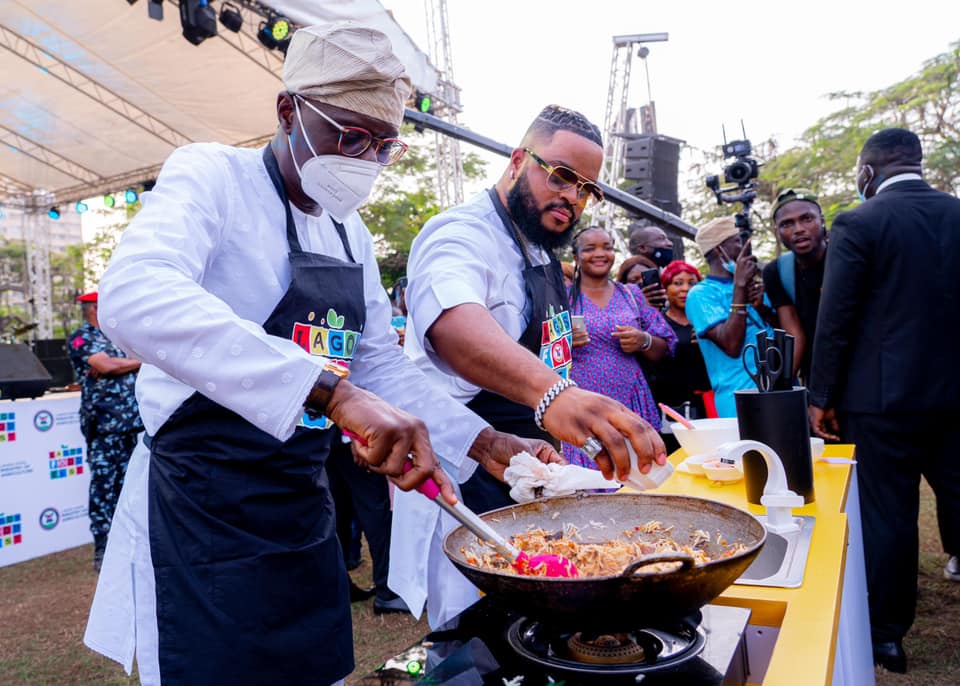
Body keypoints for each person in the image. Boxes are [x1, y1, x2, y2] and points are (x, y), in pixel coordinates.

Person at [83, 24, 549, 686]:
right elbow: (135, 295)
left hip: (301, 509)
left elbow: (379, 368)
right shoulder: (213, 176)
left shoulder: (348, 233)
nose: (366, 159)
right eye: (349, 135)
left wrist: (484, 441)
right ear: (288, 110)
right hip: (205, 513)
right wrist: (330, 391)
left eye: (384, 146)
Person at [394, 104, 668, 628]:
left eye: (587, 188)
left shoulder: (540, 251)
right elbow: (453, 324)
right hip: (465, 468)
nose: (573, 197)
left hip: (529, 466)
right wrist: (555, 395)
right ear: (519, 160)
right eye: (562, 176)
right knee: (477, 631)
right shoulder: (460, 235)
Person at [808, 128, 960, 673]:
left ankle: (888, 637)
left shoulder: (859, 220)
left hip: (883, 400)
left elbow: (836, 318)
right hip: (955, 395)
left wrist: (820, 395)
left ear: (869, 171)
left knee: (889, 514)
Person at [563, 226, 676, 467]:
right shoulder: (562, 298)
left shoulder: (632, 295)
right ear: (576, 257)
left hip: (631, 402)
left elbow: (664, 347)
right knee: (593, 475)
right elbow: (540, 352)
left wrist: (642, 340)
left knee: (640, 474)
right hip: (583, 403)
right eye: (590, 248)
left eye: (607, 247)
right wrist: (564, 341)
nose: (600, 254)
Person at [66, 291, 142, 571]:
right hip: (104, 429)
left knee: (129, 489)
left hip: (130, 427)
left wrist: (122, 365)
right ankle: (102, 548)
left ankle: (127, 546)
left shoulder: (119, 337)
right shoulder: (81, 337)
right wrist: (132, 363)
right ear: (95, 308)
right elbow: (105, 365)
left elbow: (114, 365)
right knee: (103, 489)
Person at [685, 216, 775, 417]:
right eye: (737, 242)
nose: (744, 247)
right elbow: (731, 345)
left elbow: (783, 333)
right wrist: (739, 288)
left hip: (778, 391)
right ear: (719, 251)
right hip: (739, 401)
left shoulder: (755, 286)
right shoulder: (701, 294)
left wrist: (762, 308)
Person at [761, 188, 827, 383]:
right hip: (813, 375)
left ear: (821, 220)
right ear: (777, 232)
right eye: (787, 224)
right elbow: (793, 333)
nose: (798, 229)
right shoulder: (777, 271)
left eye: (807, 219)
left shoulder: (845, 259)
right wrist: (781, 387)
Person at [649, 261, 713, 451]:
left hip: (704, 402)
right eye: (677, 283)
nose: (685, 289)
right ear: (665, 288)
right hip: (668, 406)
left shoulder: (707, 320)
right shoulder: (656, 322)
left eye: (692, 283)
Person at [626, 223, 671, 308]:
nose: (670, 243)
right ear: (642, 248)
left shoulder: (663, 273)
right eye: (661, 239)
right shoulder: (635, 271)